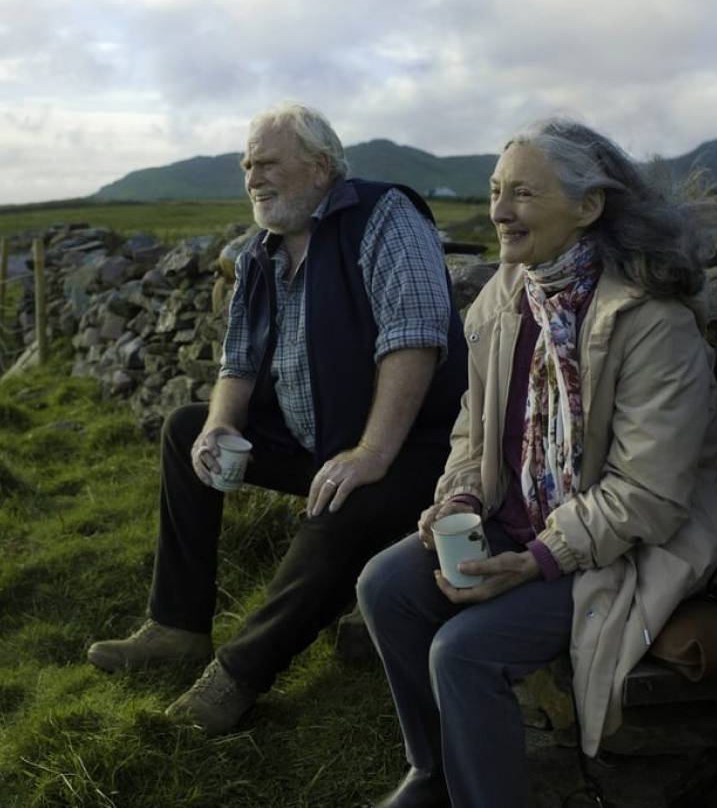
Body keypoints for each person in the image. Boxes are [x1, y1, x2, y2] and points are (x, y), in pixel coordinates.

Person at [356, 118, 717, 807]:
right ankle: (434, 772)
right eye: (495, 191)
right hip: (517, 516)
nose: (499, 212)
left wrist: (535, 561)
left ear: (588, 206)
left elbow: (648, 495)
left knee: (463, 652)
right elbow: (474, 428)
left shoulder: (652, 321)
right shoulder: (507, 294)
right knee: (385, 586)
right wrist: (461, 496)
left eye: (522, 194)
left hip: (621, 549)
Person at [87, 102, 468, 735]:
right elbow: (236, 362)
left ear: (320, 167)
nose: (252, 178)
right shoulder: (259, 256)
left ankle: (238, 675)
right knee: (186, 430)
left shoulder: (383, 215)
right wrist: (219, 426)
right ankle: (177, 627)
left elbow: (415, 338)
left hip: (414, 450)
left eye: (266, 163)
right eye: (246, 166)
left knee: (342, 502)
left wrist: (369, 454)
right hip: (320, 440)